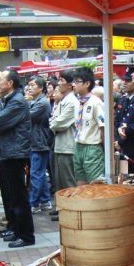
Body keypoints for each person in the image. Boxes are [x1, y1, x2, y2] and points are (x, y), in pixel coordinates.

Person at [0, 70, 35, 248]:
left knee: (19, 196)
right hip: (8, 152)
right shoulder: (10, 99)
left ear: (10, 83)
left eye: (1, 80)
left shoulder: (17, 101)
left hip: (15, 154)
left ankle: (26, 236)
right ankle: (16, 230)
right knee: (11, 195)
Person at [49, 70, 78, 218]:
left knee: (68, 181)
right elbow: (54, 120)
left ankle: (70, 210)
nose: (59, 83)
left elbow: (59, 123)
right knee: (59, 181)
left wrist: (53, 123)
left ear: (70, 84)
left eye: (62, 80)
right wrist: (53, 123)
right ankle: (63, 209)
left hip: (68, 146)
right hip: (60, 145)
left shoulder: (72, 101)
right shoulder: (64, 100)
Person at [25, 75, 54, 213]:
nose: (29, 87)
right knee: (39, 173)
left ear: (41, 88)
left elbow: (26, 117)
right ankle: (45, 200)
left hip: (39, 142)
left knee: (36, 173)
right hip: (36, 142)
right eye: (29, 85)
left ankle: (34, 203)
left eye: (32, 85)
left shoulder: (42, 103)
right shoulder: (37, 101)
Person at [72, 67, 106, 184]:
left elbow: (103, 127)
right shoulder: (78, 102)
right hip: (78, 145)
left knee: (95, 184)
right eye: (74, 81)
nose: (74, 84)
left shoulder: (96, 103)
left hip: (92, 147)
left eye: (77, 81)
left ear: (87, 83)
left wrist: (105, 150)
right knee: (80, 181)